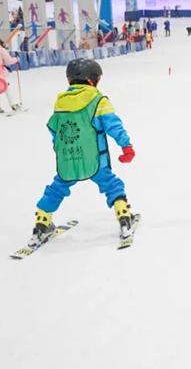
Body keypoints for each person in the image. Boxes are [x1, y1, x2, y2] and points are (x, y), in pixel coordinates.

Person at [25, 59, 136, 247]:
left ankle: (41, 224)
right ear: (92, 80)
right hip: (96, 160)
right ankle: (124, 218)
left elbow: (54, 128)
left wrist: (60, 148)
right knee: (111, 185)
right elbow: (113, 125)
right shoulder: (99, 100)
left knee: (56, 189)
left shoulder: (60, 103)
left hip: (69, 158)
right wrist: (126, 146)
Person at [0, 41, 22, 114]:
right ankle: (13, 105)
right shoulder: (1, 49)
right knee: (5, 87)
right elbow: (8, 61)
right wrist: (16, 59)